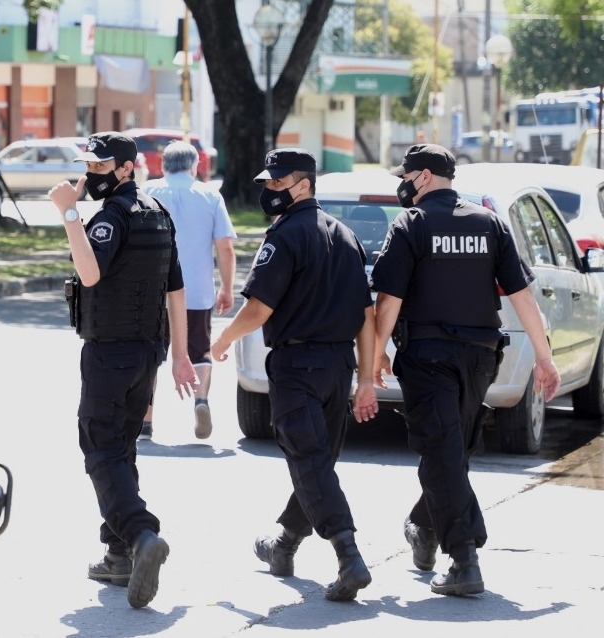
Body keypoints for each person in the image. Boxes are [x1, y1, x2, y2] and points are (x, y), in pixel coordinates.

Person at [372, 143, 561, 596]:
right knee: (451, 450)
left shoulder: (411, 223)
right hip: (480, 358)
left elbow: (390, 299)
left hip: (428, 357)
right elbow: (522, 295)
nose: (403, 184)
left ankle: (463, 559)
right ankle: (424, 527)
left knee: (442, 452)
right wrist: (544, 356)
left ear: (423, 176)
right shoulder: (489, 222)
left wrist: (375, 353)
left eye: (407, 176)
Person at [210, 148, 378, 602]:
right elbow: (366, 317)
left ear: (303, 185)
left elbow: (259, 308)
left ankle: (349, 555)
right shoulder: (345, 236)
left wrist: (223, 340)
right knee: (316, 461)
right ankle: (283, 544)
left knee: (309, 461)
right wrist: (364, 377)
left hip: (298, 367)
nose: (269, 190)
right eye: (267, 183)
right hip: (337, 367)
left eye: (277, 183)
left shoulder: (284, 235)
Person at [47, 131, 198, 609]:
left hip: (110, 353)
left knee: (100, 447)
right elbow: (177, 290)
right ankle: (118, 555)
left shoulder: (111, 216)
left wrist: (69, 213)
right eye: (88, 166)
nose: (91, 174)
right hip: (147, 353)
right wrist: (180, 354)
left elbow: (90, 273)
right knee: (121, 448)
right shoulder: (157, 212)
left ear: (127, 168)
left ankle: (140, 533)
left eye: (100, 166)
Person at [139, 140, 236, 441]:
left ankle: (145, 421)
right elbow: (225, 247)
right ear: (195, 166)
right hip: (196, 291)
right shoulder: (210, 195)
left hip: (154, 292)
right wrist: (227, 287)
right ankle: (201, 400)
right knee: (200, 350)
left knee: (151, 356)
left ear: (163, 165)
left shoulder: (148, 192)